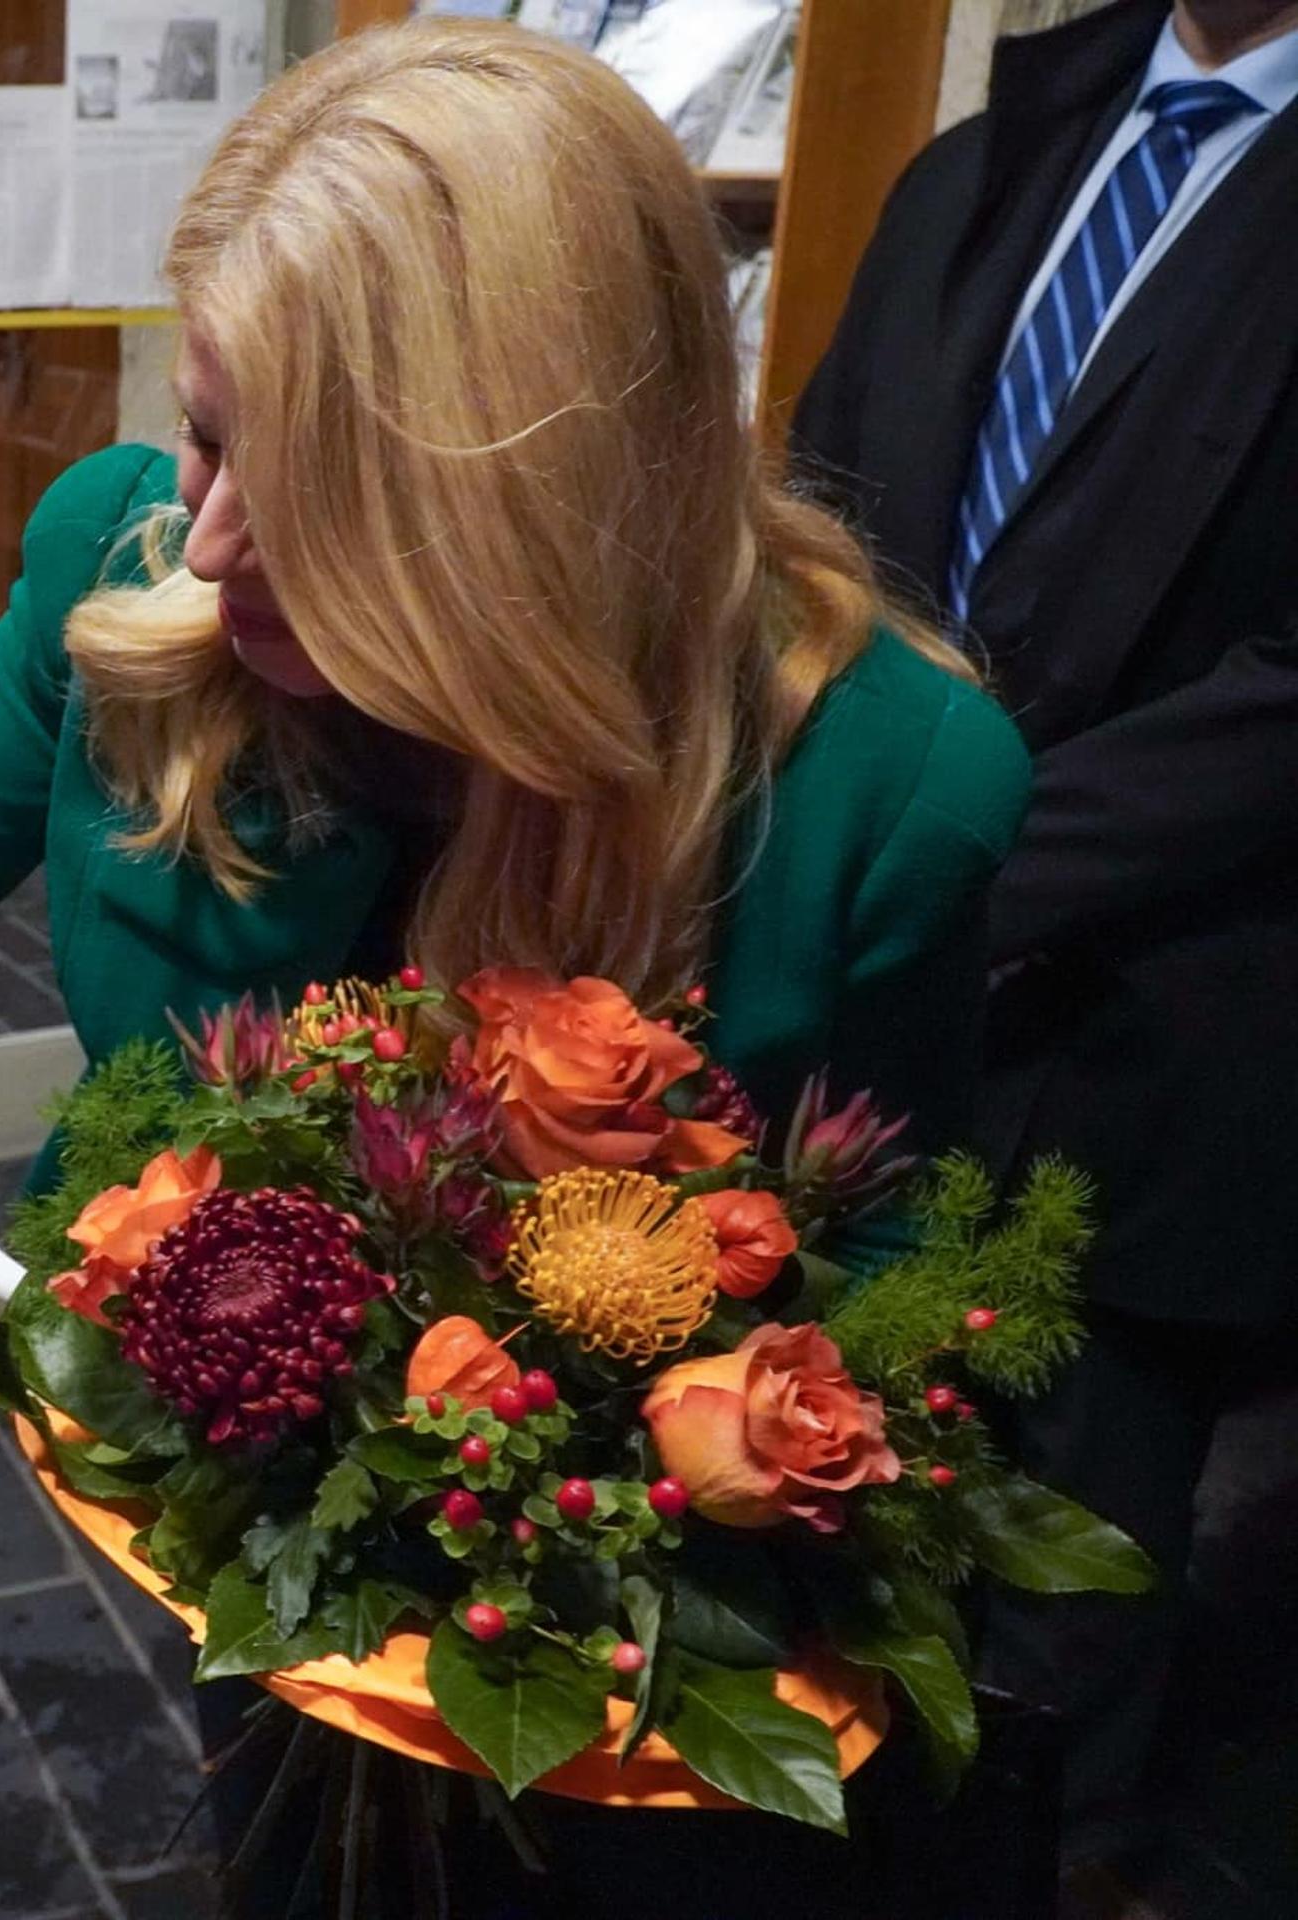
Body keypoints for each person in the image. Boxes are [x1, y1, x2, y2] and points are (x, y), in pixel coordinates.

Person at [0, 21, 1031, 1913]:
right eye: (204, 425)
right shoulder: (136, 556)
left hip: (623, 1635)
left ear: (522, 510)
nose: (214, 536)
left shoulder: (879, 775)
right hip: (227, 1498)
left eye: (312, 481)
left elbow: (909, 1274)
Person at [789, 0, 1298, 1897]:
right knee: (820, 1531)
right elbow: (819, 499)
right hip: (870, 1014)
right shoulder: (999, 147)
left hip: (1158, 1039)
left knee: (1061, 1647)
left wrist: (956, 849)